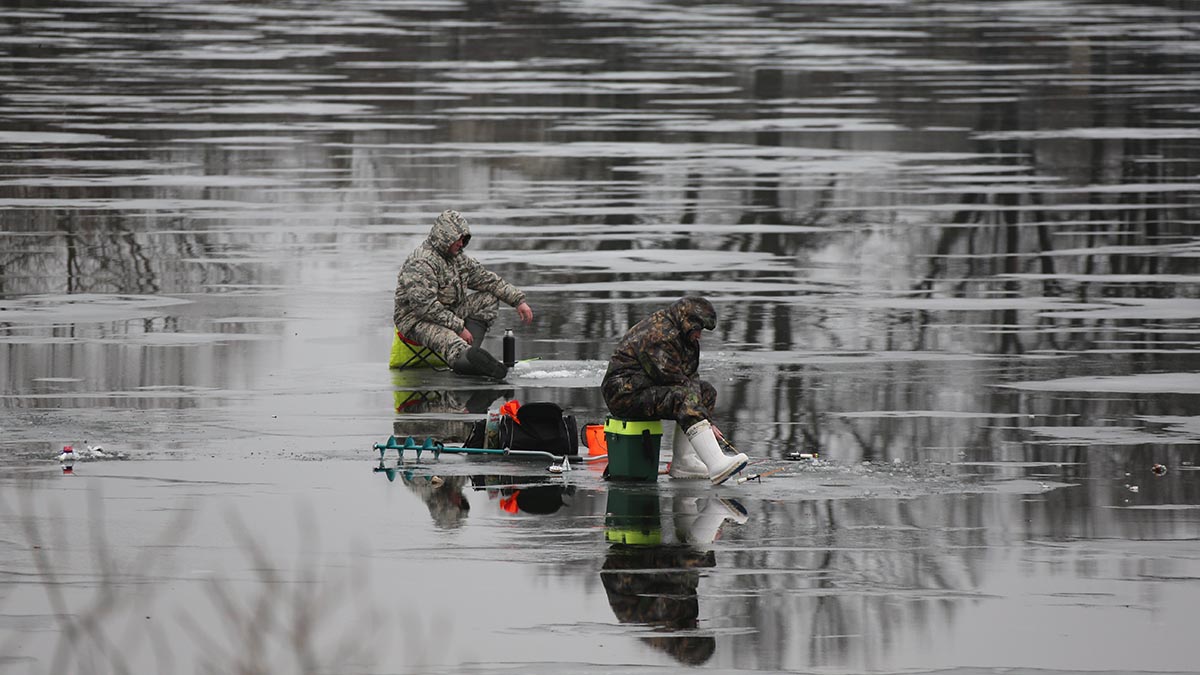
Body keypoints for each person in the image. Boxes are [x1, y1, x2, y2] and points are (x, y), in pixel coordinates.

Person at [601, 296, 748, 485]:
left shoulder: (684, 336)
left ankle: (684, 462)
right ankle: (716, 463)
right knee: (684, 397)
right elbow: (670, 378)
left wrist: (704, 417)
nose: (699, 335)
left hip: (648, 388)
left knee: (706, 392)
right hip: (625, 394)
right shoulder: (658, 334)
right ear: (687, 322)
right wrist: (702, 418)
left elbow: (690, 377)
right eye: (698, 329)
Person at [393, 209, 533, 379]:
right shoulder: (421, 263)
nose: (461, 243)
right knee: (452, 342)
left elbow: (488, 280)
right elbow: (425, 307)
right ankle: (466, 358)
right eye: (458, 239)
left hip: (449, 313)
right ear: (445, 237)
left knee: (488, 298)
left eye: (464, 239)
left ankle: (472, 354)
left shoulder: (458, 259)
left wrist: (518, 300)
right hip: (417, 320)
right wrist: (459, 327)